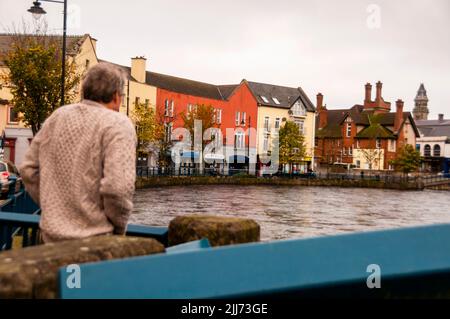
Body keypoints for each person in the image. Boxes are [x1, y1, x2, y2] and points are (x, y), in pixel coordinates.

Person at [19, 62, 137, 243]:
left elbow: (28, 169)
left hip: (50, 237)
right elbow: (117, 188)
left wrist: (54, 208)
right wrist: (118, 228)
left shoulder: (58, 116)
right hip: (95, 241)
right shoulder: (118, 124)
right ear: (115, 96)